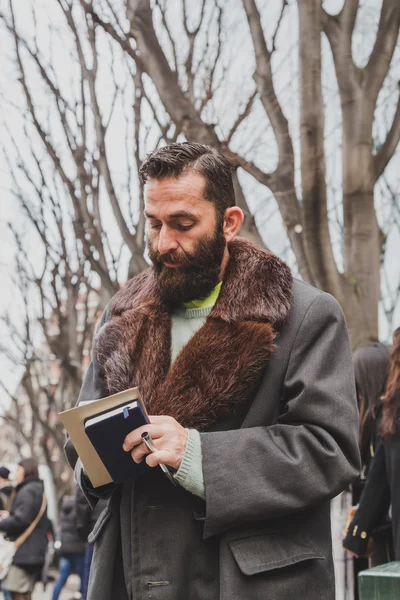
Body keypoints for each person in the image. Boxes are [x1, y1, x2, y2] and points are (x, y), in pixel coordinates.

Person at [65, 142, 360, 600]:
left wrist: (196, 454)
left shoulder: (307, 315)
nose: (164, 243)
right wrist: (95, 454)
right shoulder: (119, 315)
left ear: (229, 223)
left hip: (244, 584)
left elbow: (330, 449)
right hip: (129, 576)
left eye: (183, 224)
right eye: (154, 223)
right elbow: (81, 440)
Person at [343, 327, 400, 561]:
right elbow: (379, 475)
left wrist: (358, 531)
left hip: (384, 533)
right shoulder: (388, 418)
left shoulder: (384, 419)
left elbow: (379, 480)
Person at [345, 343, 393, 598]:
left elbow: (379, 485)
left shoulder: (382, 427)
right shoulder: (372, 424)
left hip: (381, 539)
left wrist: (358, 532)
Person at [0, 458, 49, 600]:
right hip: (32, 550)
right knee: (24, 591)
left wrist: (3, 522)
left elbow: (21, 520)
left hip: (25, 552)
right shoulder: (36, 489)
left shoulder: (28, 490)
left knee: (17, 591)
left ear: (27, 470)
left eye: (18, 470)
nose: (15, 474)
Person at [51, 492, 86, 600]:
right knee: (84, 577)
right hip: (78, 548)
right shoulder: (78, 509)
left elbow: (60, 529)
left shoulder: (64, 511)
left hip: (65, 549)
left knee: (62, 577)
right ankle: (84, 596)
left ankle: (54, 598)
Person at [75, 489, 107, 600]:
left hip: (96, 529)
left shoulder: (92, 474)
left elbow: (83, 505)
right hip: (118, 524)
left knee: (91, 579)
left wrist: (84, 534)